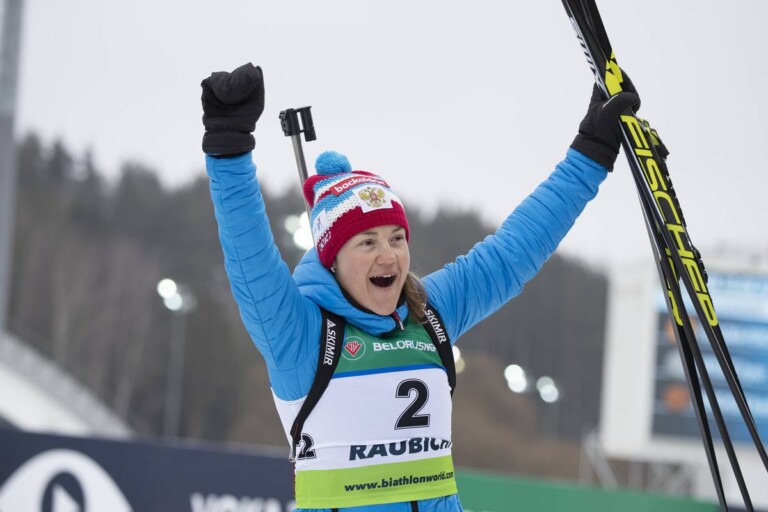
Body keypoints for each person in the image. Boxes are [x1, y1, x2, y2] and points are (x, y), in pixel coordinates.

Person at [200, 63, 639, 512]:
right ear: (332, 258)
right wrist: (229, 148)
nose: (388, 256)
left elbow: (512, 253)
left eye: (396, 238)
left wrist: (590, 154)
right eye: (367, 242)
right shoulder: (299, 335)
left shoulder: (428, 313)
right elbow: (249, 257)